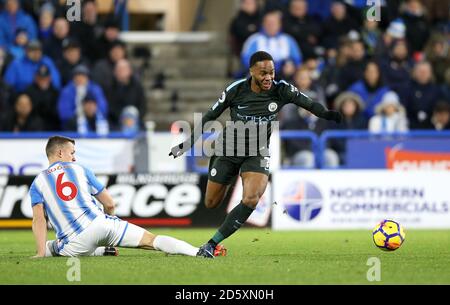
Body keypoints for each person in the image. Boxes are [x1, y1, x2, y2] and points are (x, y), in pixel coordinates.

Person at [169, 51, 342, 257]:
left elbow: (309, 103)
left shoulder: (282, 90)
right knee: (211, 203)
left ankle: (212, 244)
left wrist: (328, 114)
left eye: (272, 72)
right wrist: (187, 144)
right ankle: (231, 176)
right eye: (263, 73)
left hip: (257, 151)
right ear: (251, 72)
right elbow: (209, 116)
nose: (268, 77)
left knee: (251, 198)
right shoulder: (236, 89)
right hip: (228, 148)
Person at [30, 135, 202, 258]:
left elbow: (39, 220)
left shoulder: (37, 183)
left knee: (49, 247)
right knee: (152, 241)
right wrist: (110, 224)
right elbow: (110, 204)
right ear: (60, 153)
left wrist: (39, 254)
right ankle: (198, 252)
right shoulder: (81, 169)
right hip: (103, 224)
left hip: (74, 243)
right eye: (72, 153)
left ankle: (101, 250)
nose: (74, 158)